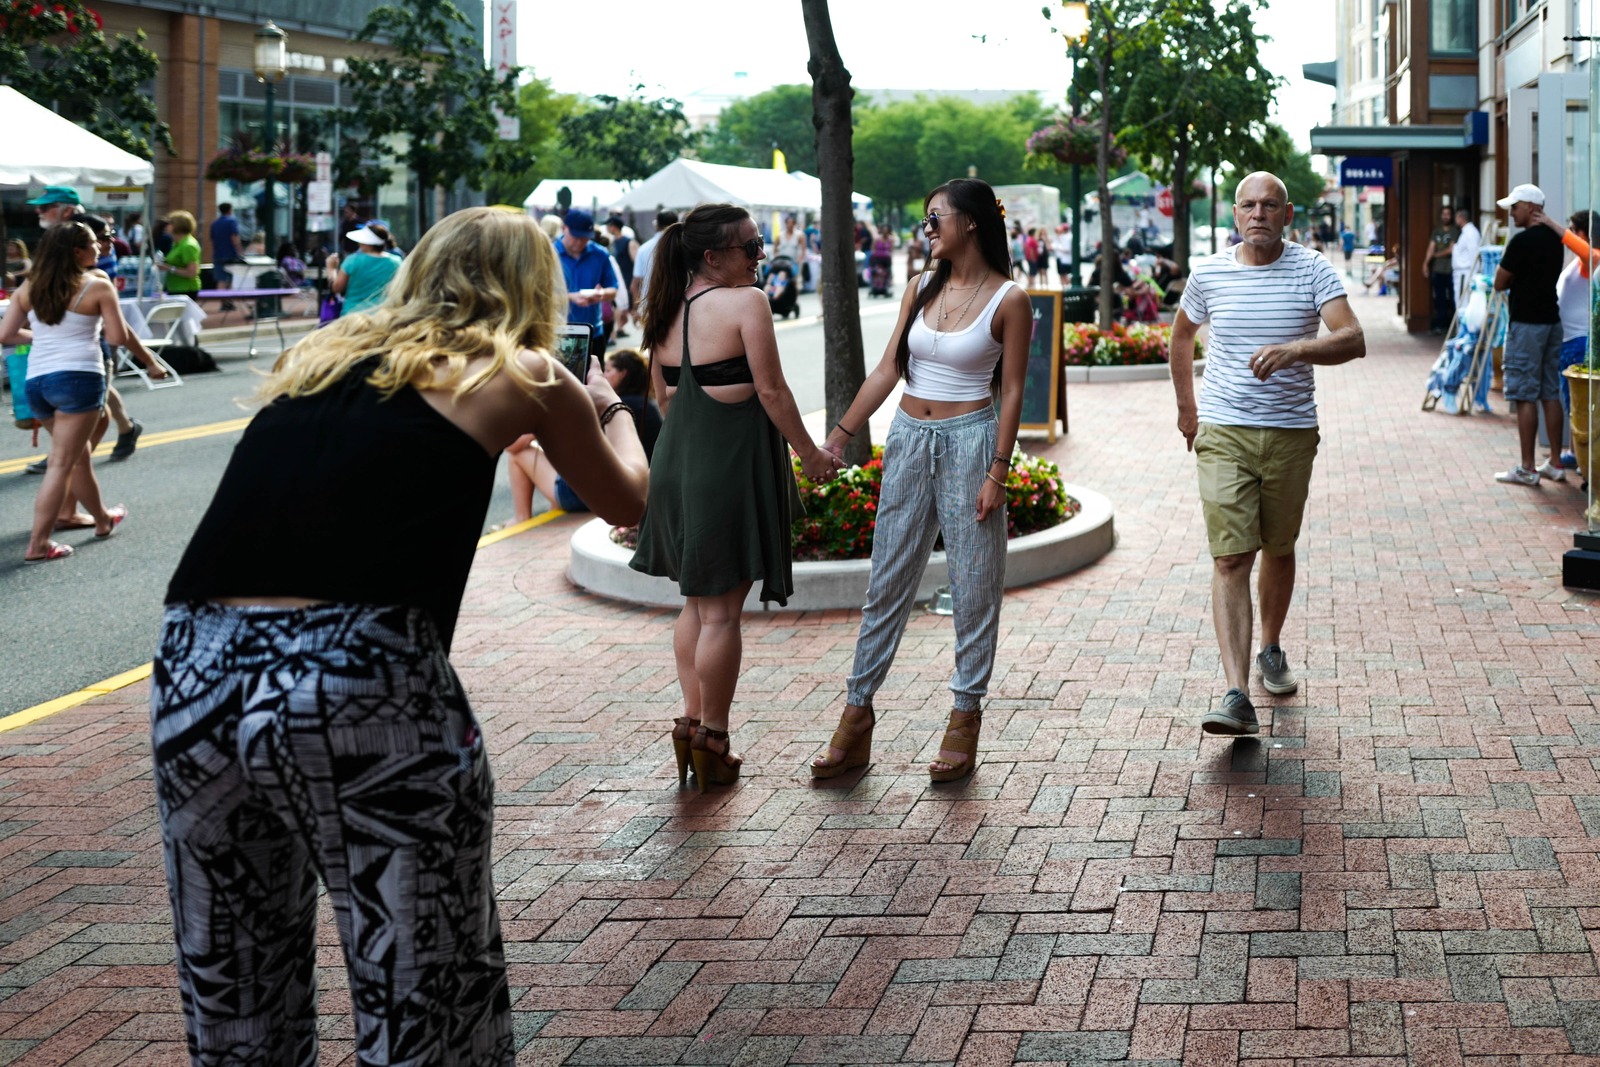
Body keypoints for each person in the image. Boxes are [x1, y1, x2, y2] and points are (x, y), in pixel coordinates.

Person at [150, 207, 648, 1065]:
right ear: (533, 289)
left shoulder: (320, 359)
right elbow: (633, 504)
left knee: (234, 986)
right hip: (363, 671)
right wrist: (611, 408)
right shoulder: (523, 367)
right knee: (425, 995)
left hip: (196, 663)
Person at [809, 178, 1030, 784]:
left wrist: (999, 470)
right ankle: (856, 718)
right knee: (888, 580)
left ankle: (964, 717)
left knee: (974, 583)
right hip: (908, 439)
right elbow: (887, 370)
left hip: (971, 442)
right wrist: (837, 438)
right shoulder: (918, 288)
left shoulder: (1009, 299)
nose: (927, 229)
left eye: (937, 219)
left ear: (973, 224)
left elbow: (1011, 390)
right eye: (925, 219)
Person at [629, 203, 840, 792]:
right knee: (722, 612)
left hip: (678, 466)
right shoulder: (747, 303)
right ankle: (714, 740)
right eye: (751, 249)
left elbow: (664, 401)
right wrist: (812, 455)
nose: (760, 258)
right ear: (712, 257)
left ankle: (690, 724)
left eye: (761, 246)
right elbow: (771, 391)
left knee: (696, 606)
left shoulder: (665, 307)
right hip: (728, 468)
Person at [1168, 171, 1365, 737]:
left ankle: (1271, 648)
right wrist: (1188, 408)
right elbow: (1181, 337)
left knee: (1279, 546)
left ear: (1287, 213)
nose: (1258, 214)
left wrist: (1296, 349)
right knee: (1231, 557)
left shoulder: (1311, 269)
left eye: (1269, 206)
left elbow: (1352, 338)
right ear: (1235, 213)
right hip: (1224, 430)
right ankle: (1235, 694)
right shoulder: (1208, 273)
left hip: (1290, 433)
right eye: (1249, 205)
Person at [0, 222, 167, 563]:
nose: (102, 247)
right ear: (77, 251)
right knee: (63, 462)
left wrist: (44, 339)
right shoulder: (97, 286)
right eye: (94, 243)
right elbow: (118, 338)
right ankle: (38, 544)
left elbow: (6, 335)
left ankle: (103, 519)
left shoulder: (29, 288)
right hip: (78, 377)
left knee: (78, 456)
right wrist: (146, 359)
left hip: (38, 383)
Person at [506, 348, 662, 521]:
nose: (603, 375)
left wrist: (540, 421)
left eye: (608, 370)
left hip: (599, 496)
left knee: (518, 455)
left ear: (623, 374)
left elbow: (514, 446)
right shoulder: (649, 406)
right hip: (634, 487)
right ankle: (548, 511)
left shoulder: (608, 405)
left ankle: (521, 518)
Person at [1493, 184, 1569, 487]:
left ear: (1530, 207)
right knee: (1550, 391)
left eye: (1515, 206)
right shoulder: (1555, 240)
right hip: (1552, 321)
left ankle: (1527, 467)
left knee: (1525, 393)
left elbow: (1499, 282)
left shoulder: (1520, 242)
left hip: (1526, 325)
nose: (1511, 212)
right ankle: (1555, 461)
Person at [1531, 206, 1598, 470]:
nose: (1568, 234)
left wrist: (1550, 223)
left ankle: (1582, 459)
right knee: (1574, 403)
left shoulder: (1591, 259)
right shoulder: (1579, 263)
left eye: (1573, 229)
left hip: (1577, 343)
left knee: (1578, 405)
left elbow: (1586, 251)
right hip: (1570, 342)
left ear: (1584, 233)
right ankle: (1577, 454)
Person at [555, 209, 619, 357]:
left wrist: (601, 294)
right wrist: (571, 297)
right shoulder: (549, 254)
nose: (579, 242)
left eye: (584, 238)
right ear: (564, 228)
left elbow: (613, 289)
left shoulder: (600, 254)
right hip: (558, 333)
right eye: (576, 236)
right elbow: (540, 296)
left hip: (593, 332)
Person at [325, 224, 403, 317]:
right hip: (384, 315)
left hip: (353, 316)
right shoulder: (396, 262)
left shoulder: (352, 260)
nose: (359, 243)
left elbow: (337, 288)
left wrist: (331, 269)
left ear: (368, 243)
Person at [631, 209, 676, 310]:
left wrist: (635, 308)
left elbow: (635, 284)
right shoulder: (684, 247)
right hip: (678, 307)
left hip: (649, 307)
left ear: (656, 225)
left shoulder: (644, 248)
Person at [1423, 205, 1459, 334]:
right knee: (1439, 299)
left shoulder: (1455, 231)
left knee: (1454, 298)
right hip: (1437, 270)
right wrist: (1426, 263)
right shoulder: (1437, 231)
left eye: (1448, 214)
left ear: (1452, 216)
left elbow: (1451, 250)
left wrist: (1436, 255)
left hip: (1450, 270)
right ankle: (1440, 326)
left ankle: (1454, 326)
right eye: (1444, 214)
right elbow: (1431, 247)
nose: (1446, 216)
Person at [159, 210, 202, 298]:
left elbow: (192, 273)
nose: (167, 226)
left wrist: (169, 268)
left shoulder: (188, 245)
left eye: (170, 223)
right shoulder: (177, 243)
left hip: (186, 290)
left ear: (178, 225)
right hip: (175, 288)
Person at [606, 216, 635, 337]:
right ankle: (619, 328)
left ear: (613, 227)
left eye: (608, 226)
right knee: (618, 305)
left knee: (624, 305)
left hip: (627, 278)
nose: (607, 228)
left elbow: (635, 261)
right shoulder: (611, 242)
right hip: (617, 277)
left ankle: (619, 328)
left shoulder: (629, 241)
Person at [209, 203, 244, 293]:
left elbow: (212, 240)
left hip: (218, 254)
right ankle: (228, 300)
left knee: (221, 279)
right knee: (230, 278)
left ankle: (221, 300)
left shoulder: (215, 223)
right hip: (230, 253)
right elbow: (234, 237)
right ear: (230, 210)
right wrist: (240, 251)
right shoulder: (231, 221)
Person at [1452, 207, 1482, 305]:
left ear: (1461, 218)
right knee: (1460, 301)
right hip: (1462, 273)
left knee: (1463, 303)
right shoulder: (1465, 233)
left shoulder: (1471, 233)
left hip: (1465, 274)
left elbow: (1474, 254)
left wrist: (1474, 275)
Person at [1052, 224, 1074, 288]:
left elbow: (1067, 248)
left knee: (1065, 275)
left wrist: (1057, 247)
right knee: (1062, 274)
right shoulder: (1060, 237)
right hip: (1061, 258)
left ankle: (1066, 287)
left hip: (1065, 259)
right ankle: (1064, 287)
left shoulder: (1067, 237)